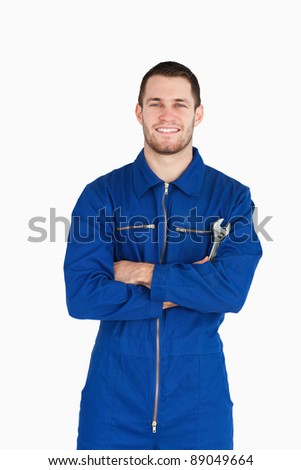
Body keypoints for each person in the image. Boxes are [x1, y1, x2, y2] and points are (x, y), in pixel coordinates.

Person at [63, 61, 262, 450]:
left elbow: (231, 292)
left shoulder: (231, 198)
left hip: (200, 403)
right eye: (155, 103)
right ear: (139, 112)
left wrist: (140, 271)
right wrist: (189, 286)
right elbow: (83, 296)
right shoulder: (102, 195)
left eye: (180, 104)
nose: (167, 115)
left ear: (198, 114)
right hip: (112, 402)